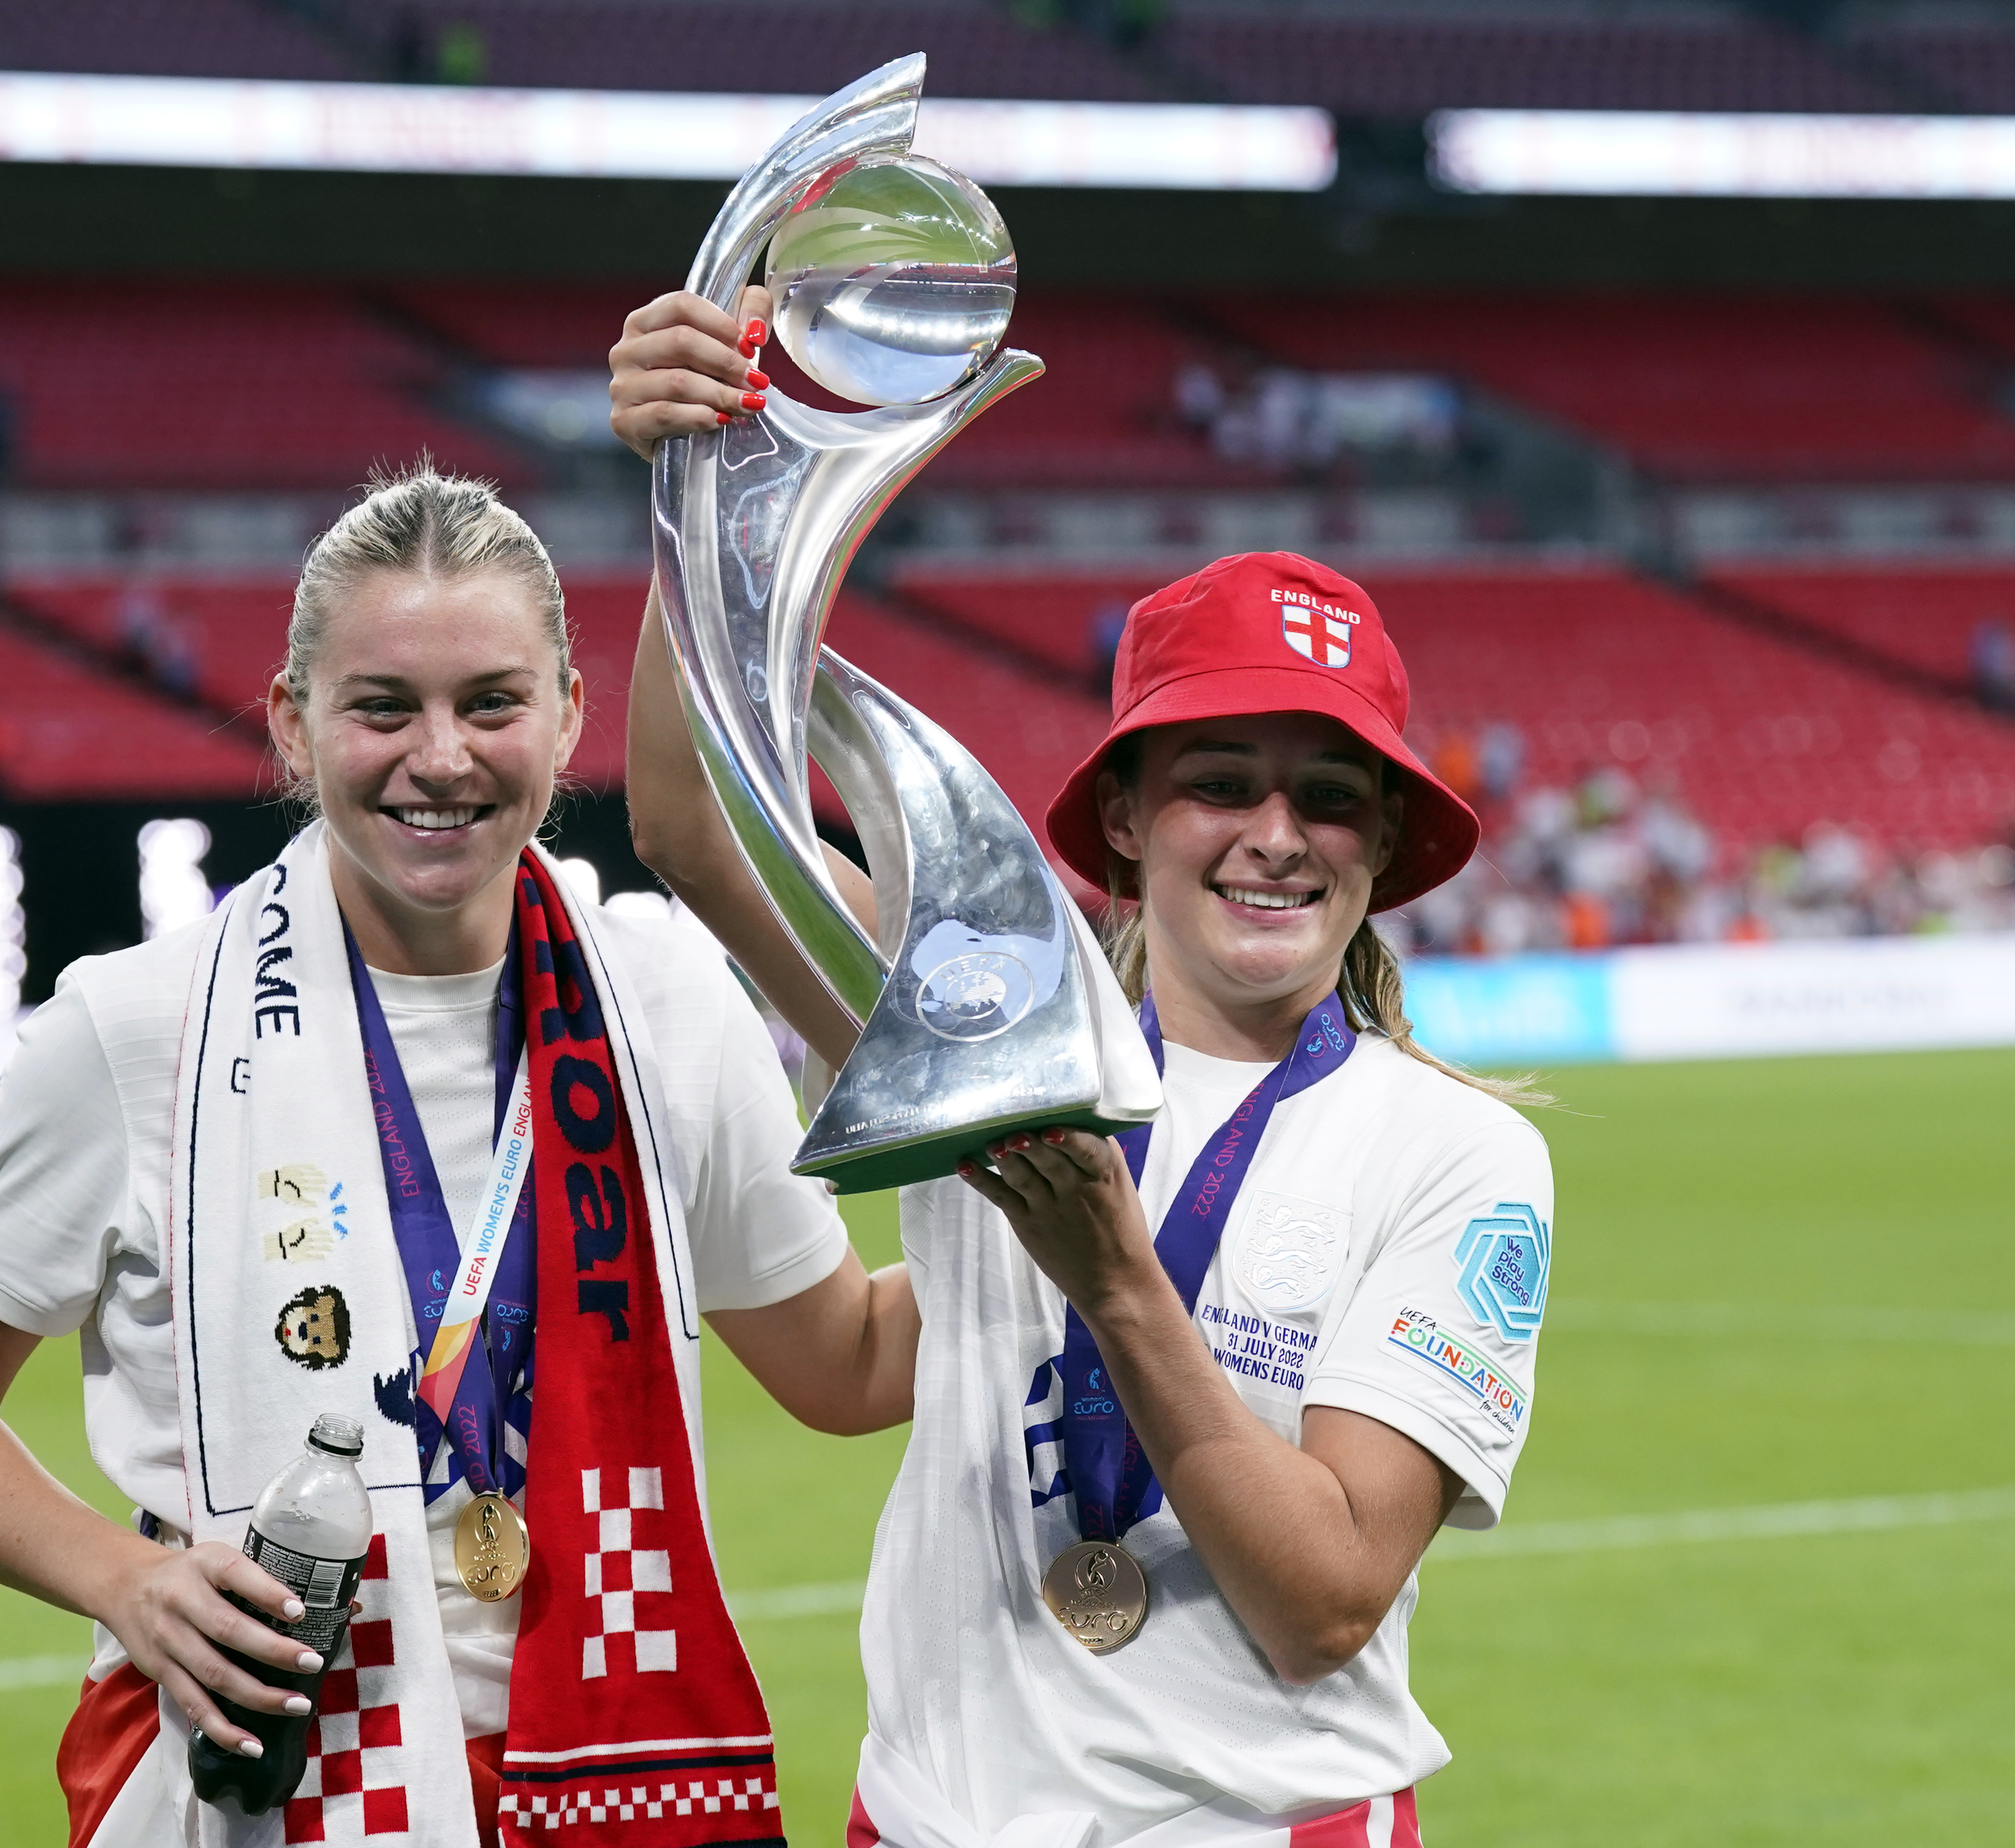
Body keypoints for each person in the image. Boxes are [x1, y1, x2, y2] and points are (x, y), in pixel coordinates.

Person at [0, 464, 917, 1847]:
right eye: (383, 707)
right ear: (293, 725)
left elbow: (845, 1366)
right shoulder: (138, 1027)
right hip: (264, 1771)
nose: (443, 757)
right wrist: (126, 1582)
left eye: (491, 703)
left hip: (604, 1763)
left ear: (572, 716)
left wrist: (1079, 1231)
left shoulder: (670, 1001)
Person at [612, 292, 1554, 1846]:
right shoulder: (985, 1030)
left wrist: (1116, 1283)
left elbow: (1322, 1599)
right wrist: (699, 479)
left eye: (1327, 795)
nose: (1272, 833)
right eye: (1214, 782)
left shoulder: (1450, 1154)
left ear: (1382, 845)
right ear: (1120, 813)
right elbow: (689, 825)